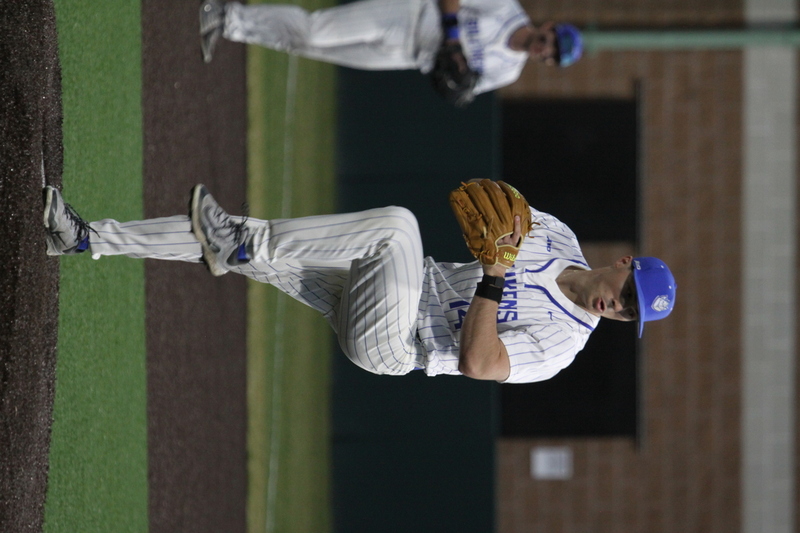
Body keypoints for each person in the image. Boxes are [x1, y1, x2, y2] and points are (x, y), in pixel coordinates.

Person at [42, 183, 675, 383]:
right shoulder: (558, 236)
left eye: (630, 314)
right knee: (235, 240)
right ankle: (85, 237)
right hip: (383, 285)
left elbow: (480, 364)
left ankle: (242, 242)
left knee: (397, 227)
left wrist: (493, 275)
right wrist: (496, 224)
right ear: (626, 264)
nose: (619, 307)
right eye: (629, 294)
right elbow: (497, 208)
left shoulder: (563, 345)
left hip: (396, 343)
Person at [198, 0, 583, 98]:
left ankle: (231, 26)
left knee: (307, 47)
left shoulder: (509, 71)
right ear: (549, 27)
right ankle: (226, 14)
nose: (546, 51)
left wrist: (455, 82)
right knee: (315, 32)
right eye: (552, 42)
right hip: (406, 15)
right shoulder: (506, 8)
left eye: (553, 57)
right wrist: (452, 37)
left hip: (405, 56)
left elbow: (465, 88)